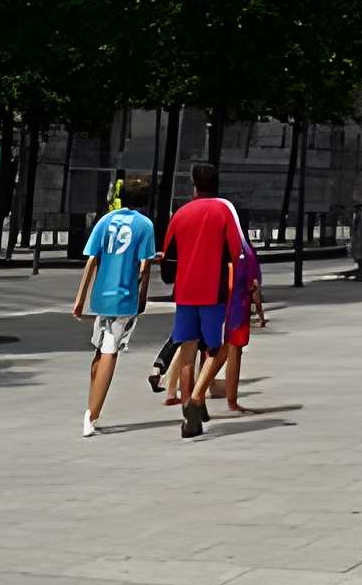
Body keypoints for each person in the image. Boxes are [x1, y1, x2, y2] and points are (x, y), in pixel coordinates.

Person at [158, 161, 244, 439]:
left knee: (187, 350)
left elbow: (169, 258)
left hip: (184, 292)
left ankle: (188, 410)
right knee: (216, 350)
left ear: (194, 185)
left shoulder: (180, 214)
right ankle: (196, 399)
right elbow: (235, 252)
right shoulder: (223, 211)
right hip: (214, 291)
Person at [71, 182, 157, 438]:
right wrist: (142, 297)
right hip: (124, 297)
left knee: (100, 350)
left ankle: (91, 405)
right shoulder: (145, 225)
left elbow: (91, 259)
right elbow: (145, 265)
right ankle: (92, 414)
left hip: (101, 296)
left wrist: (79, 299)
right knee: (110, 351)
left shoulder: (105, 220)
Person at [211, 228, 265, 415]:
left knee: (223, 350)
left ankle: (198, 392)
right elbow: (254, 285)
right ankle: (232, 402)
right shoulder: (247, 252)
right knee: (235, 350)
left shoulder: (223, 246)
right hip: (239, 306)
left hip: (218, 303)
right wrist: (260, 313)